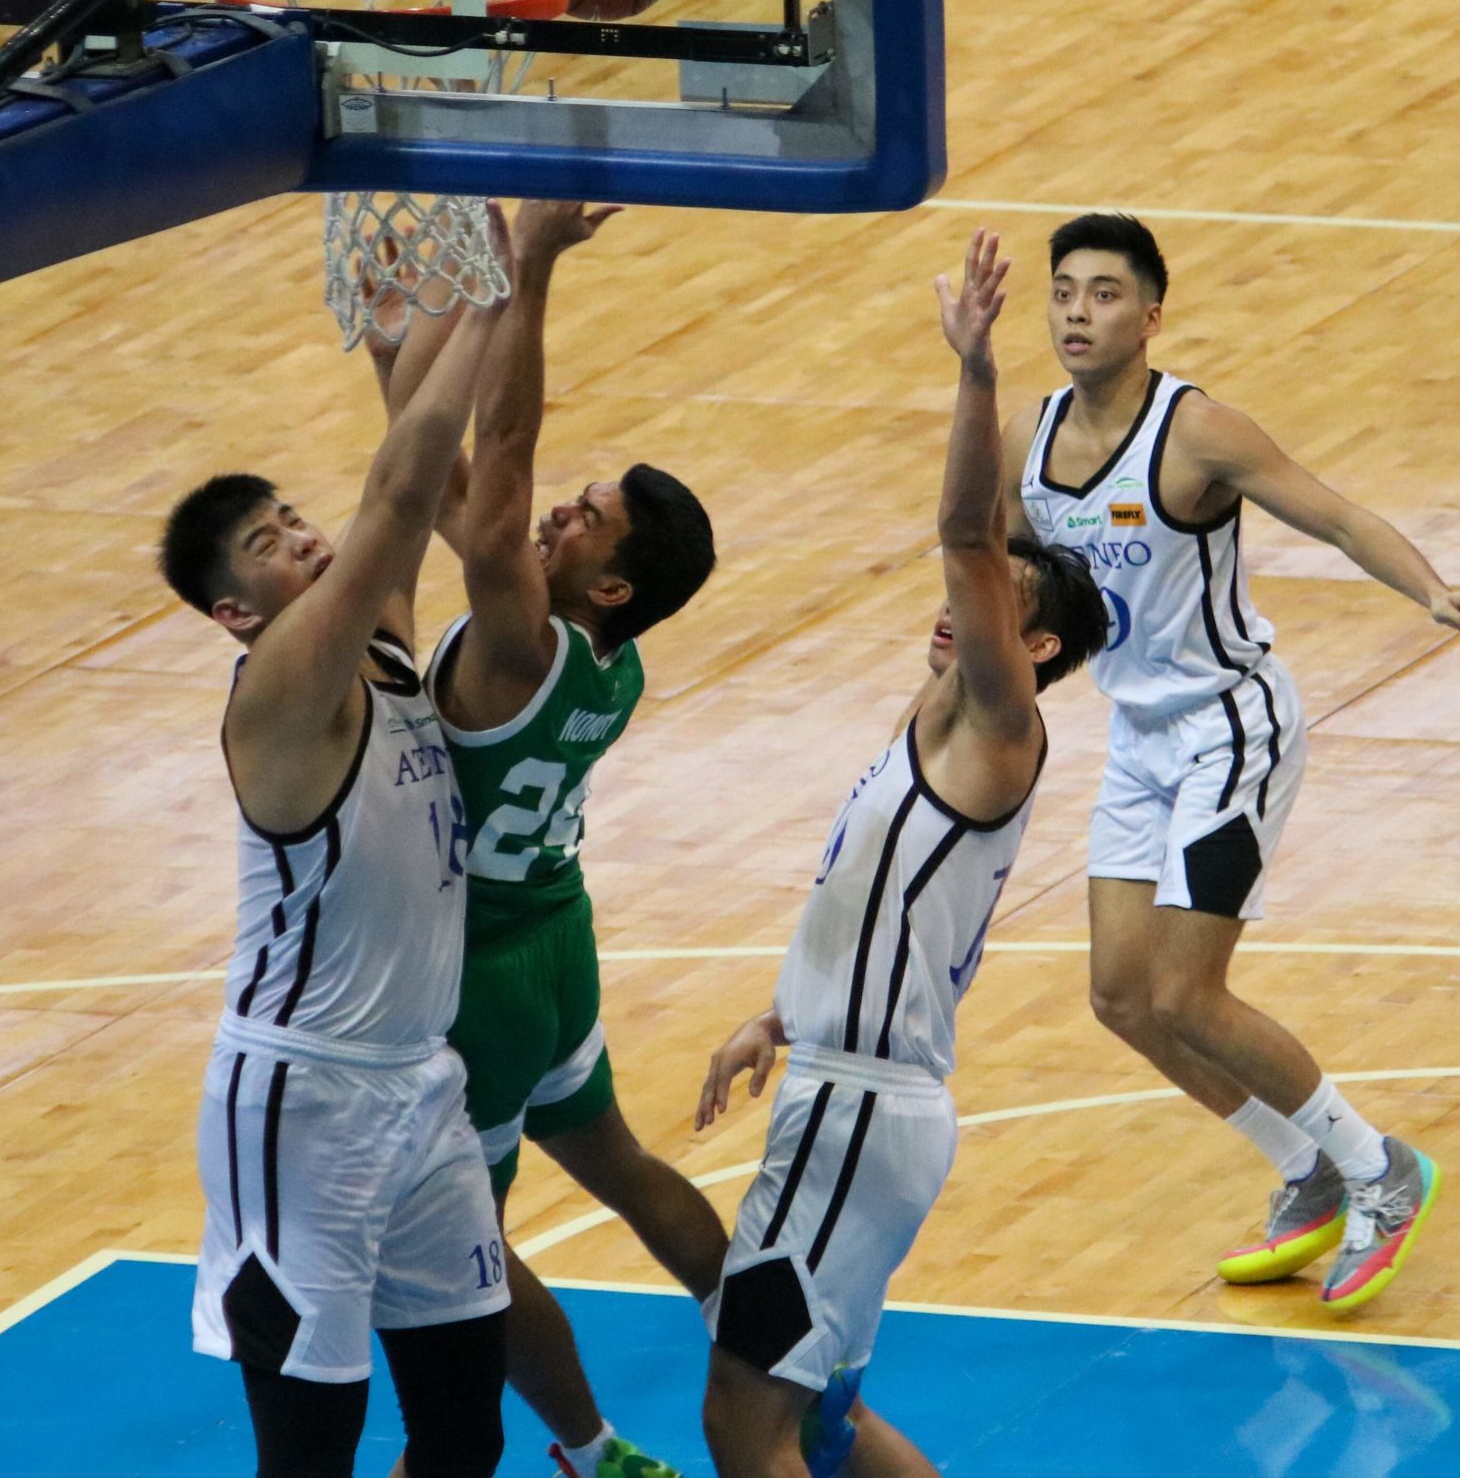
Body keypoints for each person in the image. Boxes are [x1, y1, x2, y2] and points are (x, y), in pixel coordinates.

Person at [1001, 212, 1460, 1310]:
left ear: (1150, 316)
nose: (1077, 313)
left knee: (1188, 991)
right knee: (1120, 998)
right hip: (1137, 741)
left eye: (1102, 294)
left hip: (1233, 727)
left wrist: (1430, 591)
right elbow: (999, 572)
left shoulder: (1198, 433)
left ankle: (1384, 1171)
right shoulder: (1026, 442)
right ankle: (1305, 1167)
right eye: (1063, 292)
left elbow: (1333, 517)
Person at [695, 230, 1109, 1476]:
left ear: (1029, 649)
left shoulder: (1001, 726)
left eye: (995, 609)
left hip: (859, 1113)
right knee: (824, 1428)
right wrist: (778, 1012)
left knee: (743, 1424)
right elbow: (866, 898)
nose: (959, 606)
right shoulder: (926, 722)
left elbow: (970, 538)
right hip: (851, 1086)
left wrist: (977, 372)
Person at [160, 209, 513, 1478]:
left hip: (416, 1086)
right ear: (233, 611)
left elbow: (401, 494)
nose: (303, 534)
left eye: (293, 513)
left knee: (465, 1428)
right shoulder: (282, 687)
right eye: (270, 543)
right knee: (311, 1455)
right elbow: (403, 492)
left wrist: (388, 348)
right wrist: (494, 287)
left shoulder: (375, 644)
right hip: (300, 1101)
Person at [396, 200, 727, 1478]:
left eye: (581, 520)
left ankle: (593, 1450)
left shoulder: (521, 642)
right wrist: (398, 357)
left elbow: (502, 454)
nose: (552, 514)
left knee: (464, 1245)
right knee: (620, 1163)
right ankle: (776, 1349)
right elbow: (450, 491)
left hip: (474, 971)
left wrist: (525, 272)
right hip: (554, 936)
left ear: (606, 588)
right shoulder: (608, 660)